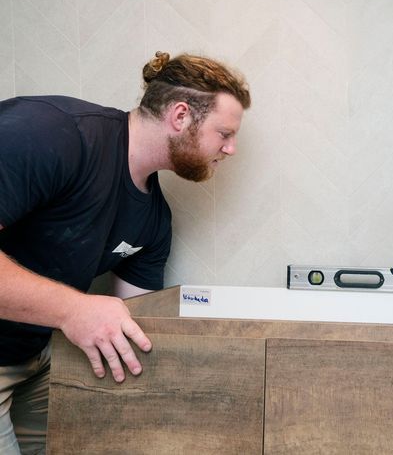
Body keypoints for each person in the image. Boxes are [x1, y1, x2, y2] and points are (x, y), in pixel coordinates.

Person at [0, 51, 251, 454]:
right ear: (181, 115)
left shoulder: (154, 221)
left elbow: (137, 323)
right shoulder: (53, 133)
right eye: (225, 133)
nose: (231, 148)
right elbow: (78, 314)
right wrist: (73, 310)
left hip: (38, 357)